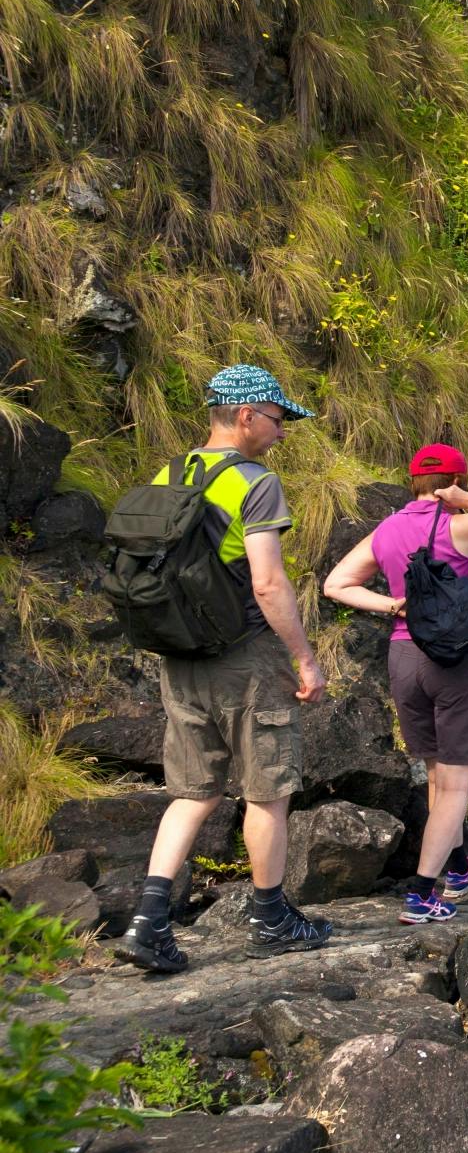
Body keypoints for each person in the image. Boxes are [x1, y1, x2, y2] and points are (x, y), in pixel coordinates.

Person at [113, 365, 332, 973]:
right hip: (244, 659)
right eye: (278, 419)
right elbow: (267, 581)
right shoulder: (256, 482)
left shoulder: (170, 473)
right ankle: (270, 919)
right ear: (246, 416)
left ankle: (149, 922)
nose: (283, 432)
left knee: (192, 790)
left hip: (180, 655)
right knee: (268, 789)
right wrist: (305, 657)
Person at [322, 444, 468, 924]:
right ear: (454, 480)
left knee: (438, 775)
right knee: (457, 784)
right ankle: (422, 894)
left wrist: (392, 605)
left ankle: (460, 867)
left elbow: (336, 584)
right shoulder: (457, 526)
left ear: (411, 480)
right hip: (457, 661)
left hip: (403, 656)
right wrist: (466, 499)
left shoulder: (388, 529)